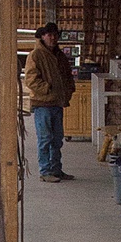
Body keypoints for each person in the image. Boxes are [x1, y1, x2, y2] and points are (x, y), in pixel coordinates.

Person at [23, 22, 76, 184]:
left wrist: (68, 89)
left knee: (57, 139)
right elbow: (31, 79)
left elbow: (67, 75)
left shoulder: (59, 55)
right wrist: (48, 88)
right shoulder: (36, 55)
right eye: (49, 35)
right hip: (43, 103)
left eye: (54, 34)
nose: (52, 38)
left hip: (57, 102)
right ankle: (45, 170)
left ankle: (56, 169)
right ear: (42, 36)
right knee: (45, 138)